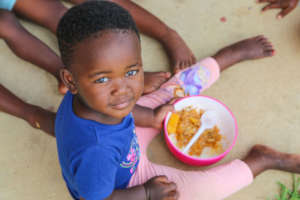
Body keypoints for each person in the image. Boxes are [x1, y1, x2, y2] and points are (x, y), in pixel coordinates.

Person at [54, 2, 300, 200]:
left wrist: (151, 117)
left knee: (174, 93)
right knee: (205, 190)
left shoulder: (100, 101)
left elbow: (124, 110)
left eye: (131, 72)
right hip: (129, 182)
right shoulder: (96, 151)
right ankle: (264, 160)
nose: (123, 90)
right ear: (71, 80)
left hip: (126, 145)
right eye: (102, 79)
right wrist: (146, 193)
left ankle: (220, 61)